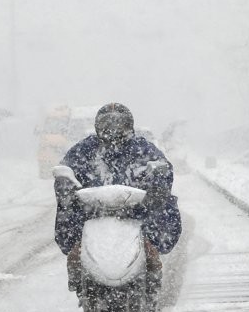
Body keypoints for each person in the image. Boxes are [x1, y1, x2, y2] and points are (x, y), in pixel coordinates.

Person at [54, 103, 181, 298]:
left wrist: (156, 187)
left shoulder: (142, 148)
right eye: (107, 123)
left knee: (151, 247)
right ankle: (79, 281)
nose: (113, 129)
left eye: (118, 124)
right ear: (98, 126)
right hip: (92, 213)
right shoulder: (85, 149)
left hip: (135, 213)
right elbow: (66, 170)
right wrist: (66, 186)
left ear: (129, 125)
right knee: (75, 249)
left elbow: (162, 168)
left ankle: (153, 278)